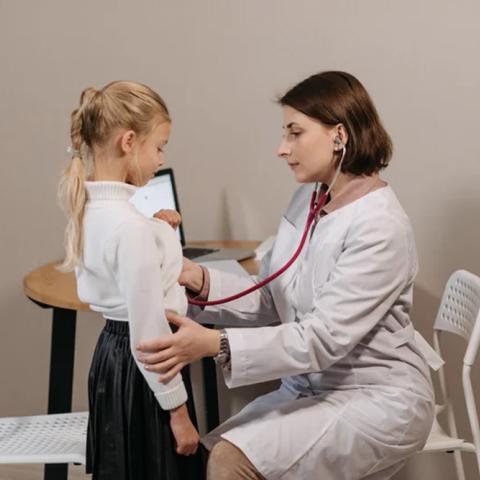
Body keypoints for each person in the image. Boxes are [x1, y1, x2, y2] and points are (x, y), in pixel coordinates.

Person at [137, 71, 438, 480]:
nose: (282, 149)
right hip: (313, 388)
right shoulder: (310, 196)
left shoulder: (380, 226)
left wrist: (214, 344)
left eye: (295, 133)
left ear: (339, 135)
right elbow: (274, 298)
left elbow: (321, 338)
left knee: (229, 463)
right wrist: (197, 278)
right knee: (197, 457)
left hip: (376, 398)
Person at [58, 81, 205, 479]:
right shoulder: (132, 228)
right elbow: (149, 330)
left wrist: (157, 234)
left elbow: (120, 282)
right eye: (159, 146)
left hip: (112, 357)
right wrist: (178, 413)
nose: (161, 159)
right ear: (128, 142)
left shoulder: (91, 211)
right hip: (146, 367)